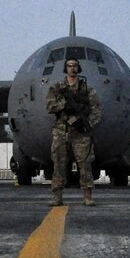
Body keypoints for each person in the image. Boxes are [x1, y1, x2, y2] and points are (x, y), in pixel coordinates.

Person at [45, 57, 102, 206]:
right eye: (69, 66)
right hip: (61, 129)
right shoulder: (57, 87)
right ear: (65, 69)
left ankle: (87, 196)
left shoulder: (87, 89)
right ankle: (57, 196)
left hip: (80, 131)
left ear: (78, 68)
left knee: (85, 163)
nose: (72, 68)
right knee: (58, 162)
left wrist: (86, 124)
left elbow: (96, 110)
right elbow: (50, 106)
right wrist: (65, 104)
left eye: (75, 65)